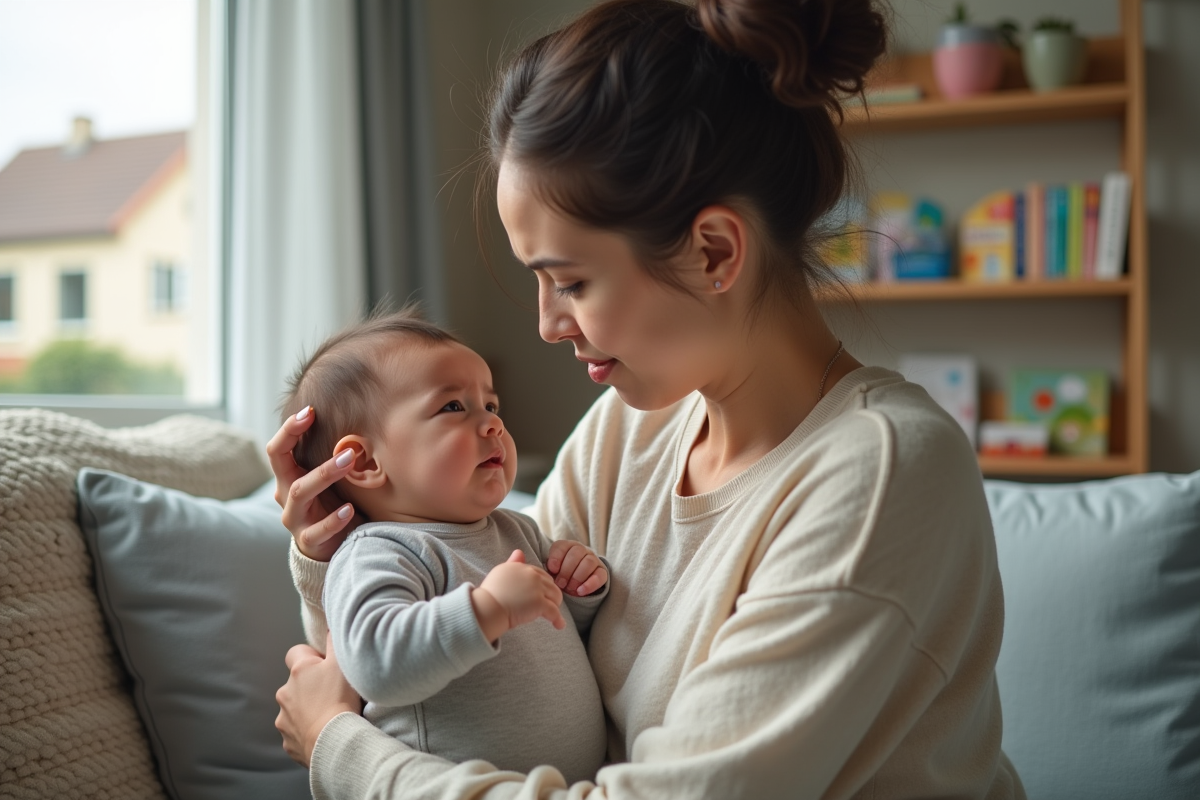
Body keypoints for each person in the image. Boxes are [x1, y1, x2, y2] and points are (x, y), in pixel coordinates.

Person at [272, 0, 1027, 797]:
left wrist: (339, 750)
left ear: (713, 252)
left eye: (570, 281)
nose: (546, 325)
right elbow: (417, 672)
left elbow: (346, 718)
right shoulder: (629, 434)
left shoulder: (879, 475)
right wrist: (340, 541)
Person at [278, 310, 609, 784]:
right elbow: (373, 664)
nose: (492, 425)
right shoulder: (376, 552)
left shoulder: (516, 529)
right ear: (364, 461)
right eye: (454, 407)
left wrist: (578, 588)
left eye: (492, 407)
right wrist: (488, 608)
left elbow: (553, 627)